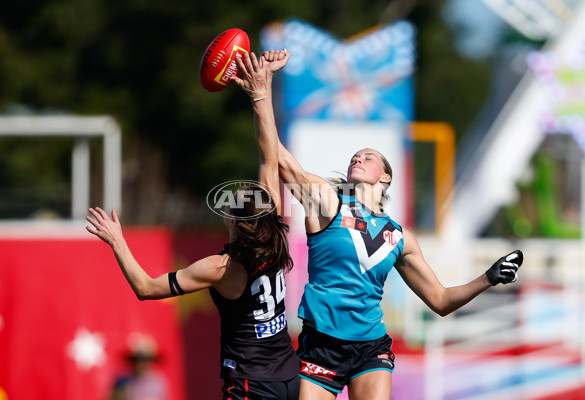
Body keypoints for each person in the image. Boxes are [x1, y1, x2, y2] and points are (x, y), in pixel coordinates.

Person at [233, 49, 524, 400]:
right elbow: (277, 156)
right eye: (355, 155)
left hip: (371, 347)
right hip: (321, 344)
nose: (358, 157)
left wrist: (488, 278)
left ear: (385, 176)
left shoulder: (401, 237)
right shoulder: (328, 201)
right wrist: (261, 91)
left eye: (368, 156)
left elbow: (441, 300)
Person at [87, 51, 300, 400]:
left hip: (252, 382)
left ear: (232, 219)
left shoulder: (221, 268)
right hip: (290, 378)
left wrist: (116, 240)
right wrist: (262, 88)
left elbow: (146, 288)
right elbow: (269, 155)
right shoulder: (275, 236)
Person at [109, 334, 168, 400]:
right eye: (138, 359)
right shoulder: (122, 381)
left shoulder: (158, 382)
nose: (141, 363)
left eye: (145, 359)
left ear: (151, 361)